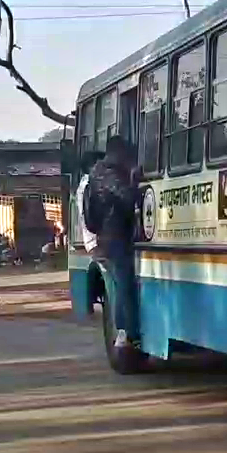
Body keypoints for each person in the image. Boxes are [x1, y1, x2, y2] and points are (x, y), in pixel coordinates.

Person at [88, 136, 140, 348]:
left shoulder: (98, 172)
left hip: (109, 235)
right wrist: (136, 180)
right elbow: (127, 196)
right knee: (124, 283)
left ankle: (126, 331)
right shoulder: (106, 173)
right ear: (117, 152)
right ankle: (126, 332)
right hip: (114, 237)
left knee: (121, 283)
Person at [76, 151, 100, 253]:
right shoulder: (89, 185)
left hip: (93, 242)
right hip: (97, 242)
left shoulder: (84, 184)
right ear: (92, 167)